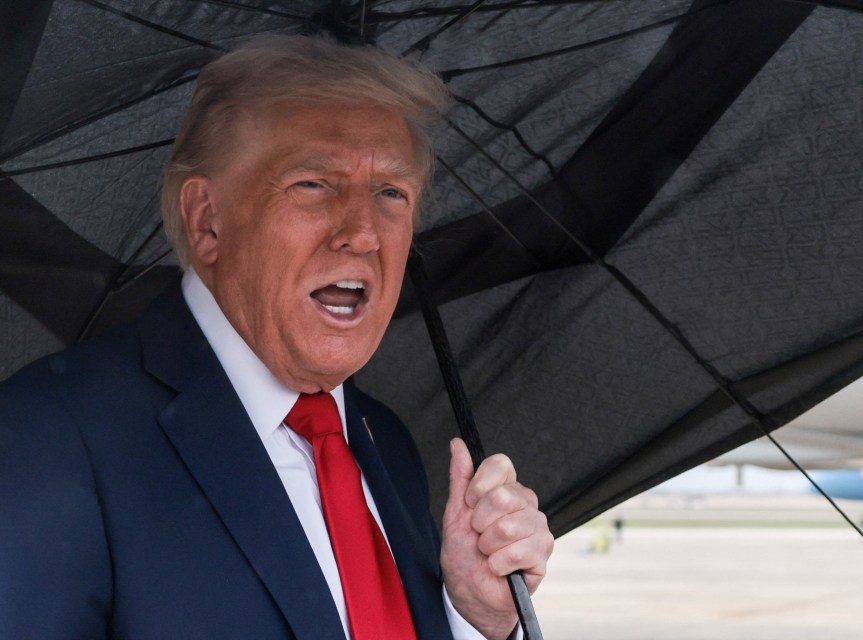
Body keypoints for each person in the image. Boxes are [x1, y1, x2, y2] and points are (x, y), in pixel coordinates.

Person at [0, 36, 553, 639]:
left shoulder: (386, 443)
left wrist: (477, 619)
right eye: (315, 184)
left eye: (391, 193)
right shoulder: (51, 436)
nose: (364, 233)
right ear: (208, 220)